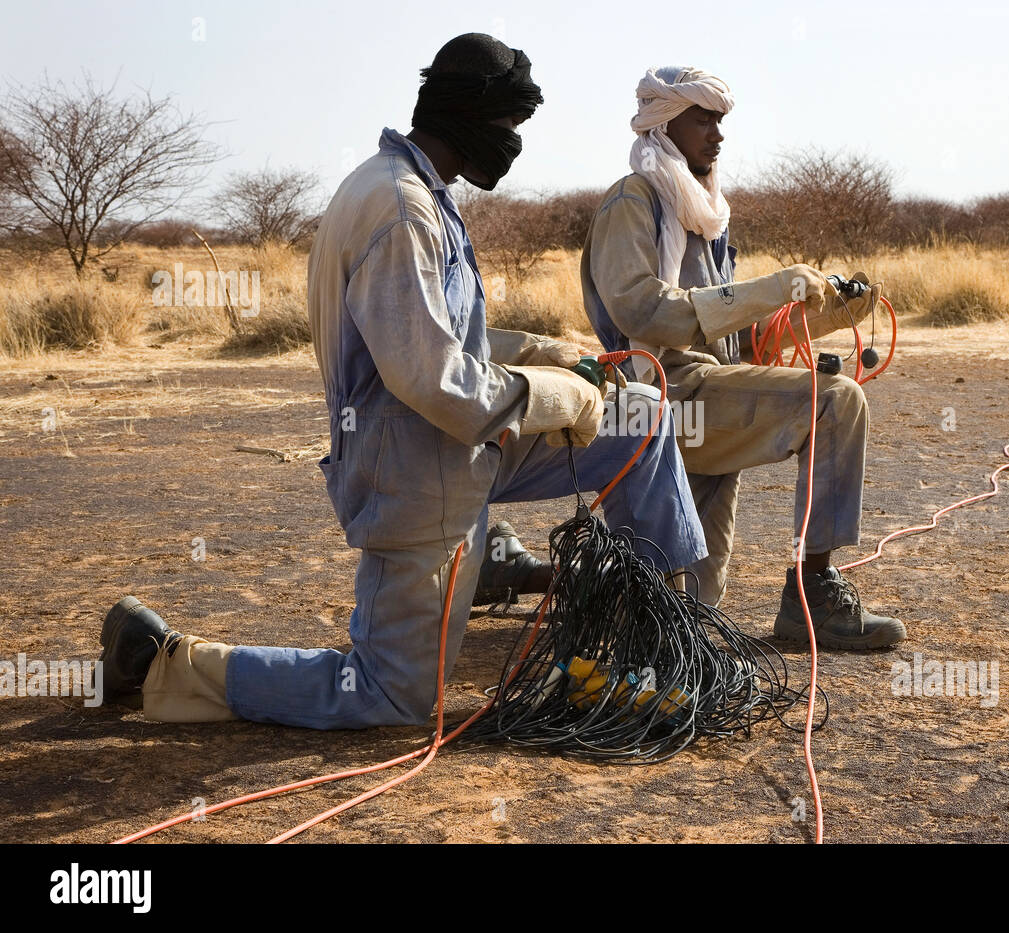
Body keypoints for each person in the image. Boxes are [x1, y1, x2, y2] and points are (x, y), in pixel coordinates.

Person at [96, 34, 707, 728]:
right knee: (391, 696)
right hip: (415, 471)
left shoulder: (414, 186)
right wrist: (550, 395)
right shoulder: (400, 209)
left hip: (457, 446)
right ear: (470, 117)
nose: (513, 144)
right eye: (509, 127)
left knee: (643, 421)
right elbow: (432, 376)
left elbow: (433, 333)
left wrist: (550, 354)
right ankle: (160, 659)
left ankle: (662, 634)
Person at [578, 65, 906, 651]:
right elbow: (646, 314)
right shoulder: (633, 201)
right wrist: (775, 287)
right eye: (701, 118)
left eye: (720, 120)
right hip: (658, 396)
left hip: (712, 393)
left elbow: (734, 340)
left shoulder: (705, 215)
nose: (716, 133)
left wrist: (830, 315)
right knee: (834, 401)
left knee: (690, 614)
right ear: (662, 123)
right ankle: (813, 596)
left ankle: (618, 595)